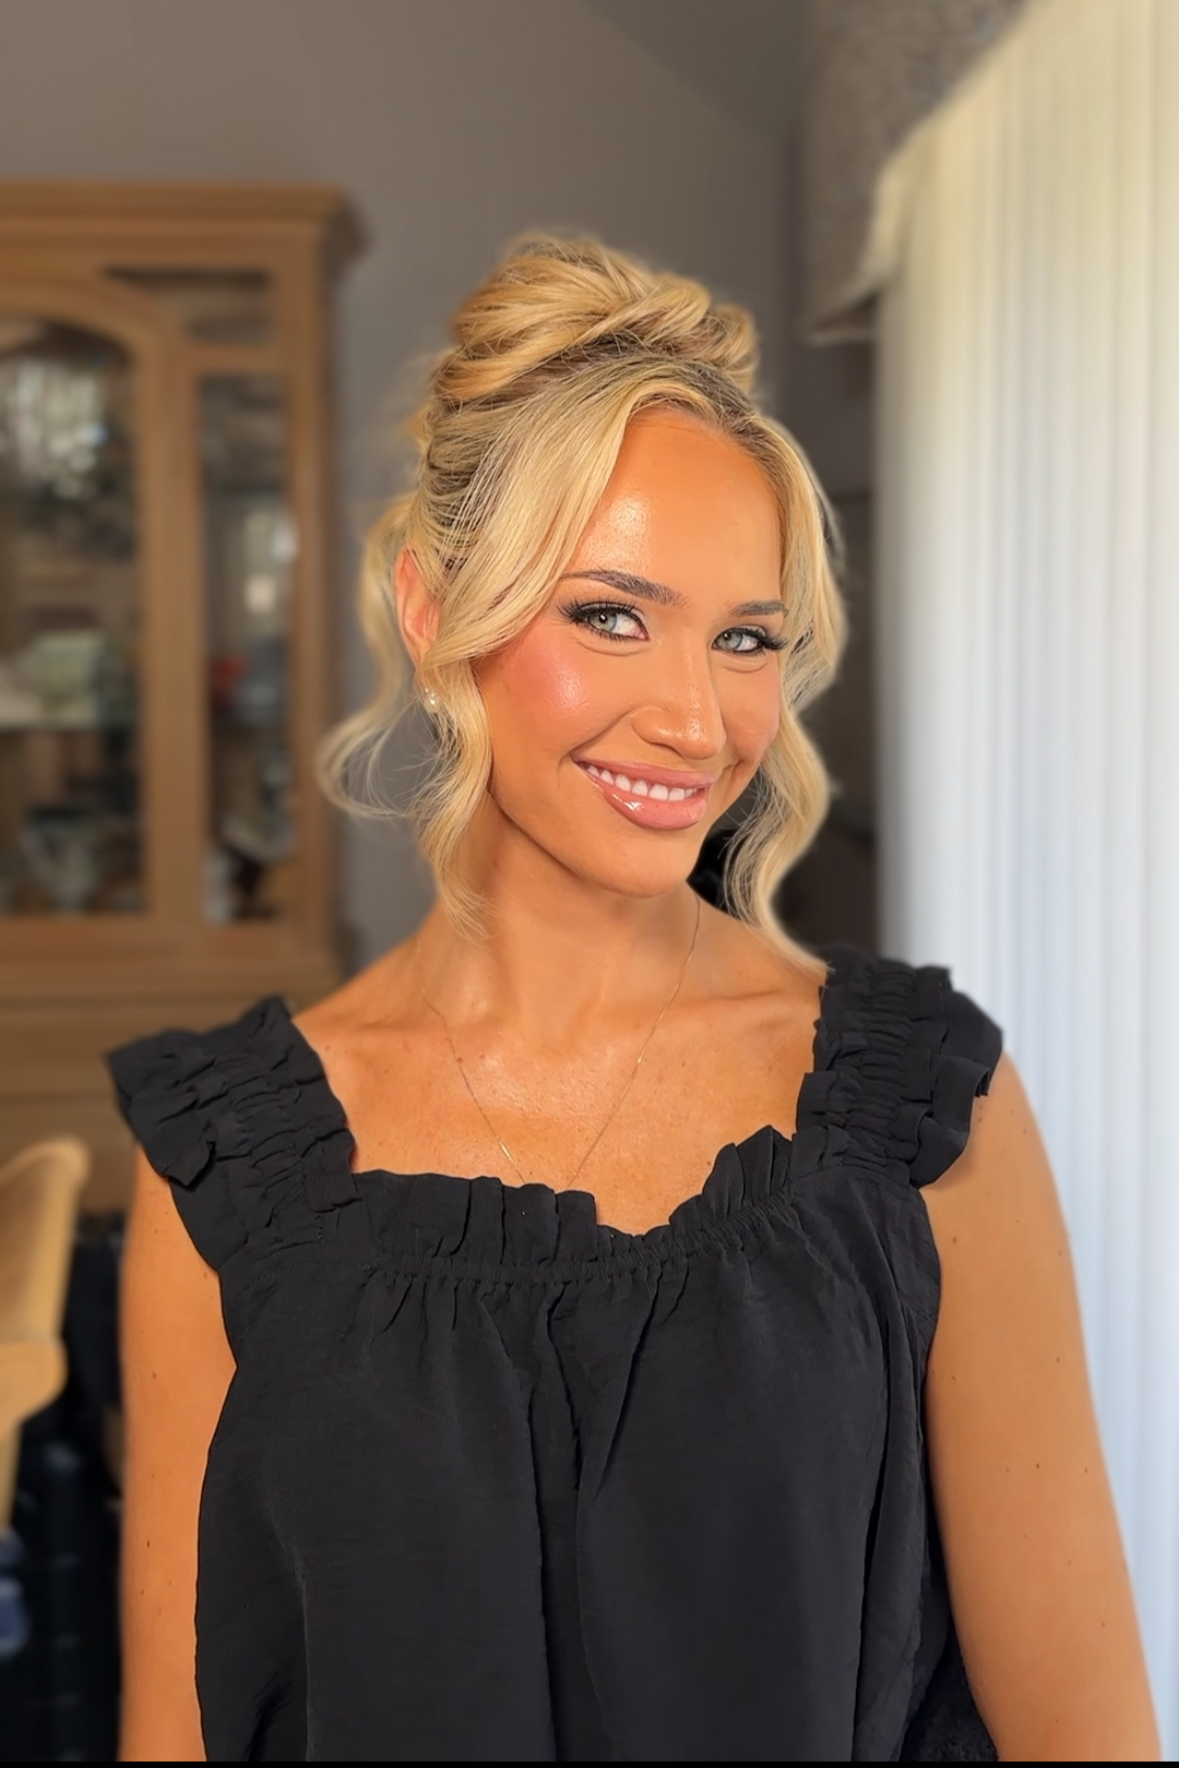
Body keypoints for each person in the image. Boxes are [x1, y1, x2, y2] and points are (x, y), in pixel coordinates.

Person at [109, 235, 1158, 1763]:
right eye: (610, 613)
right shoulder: (224, 1163)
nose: (693, 717)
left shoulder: (923, 1109)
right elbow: (182, 1731)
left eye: (745, 639)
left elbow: (1083, 1731)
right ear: (430, 607)